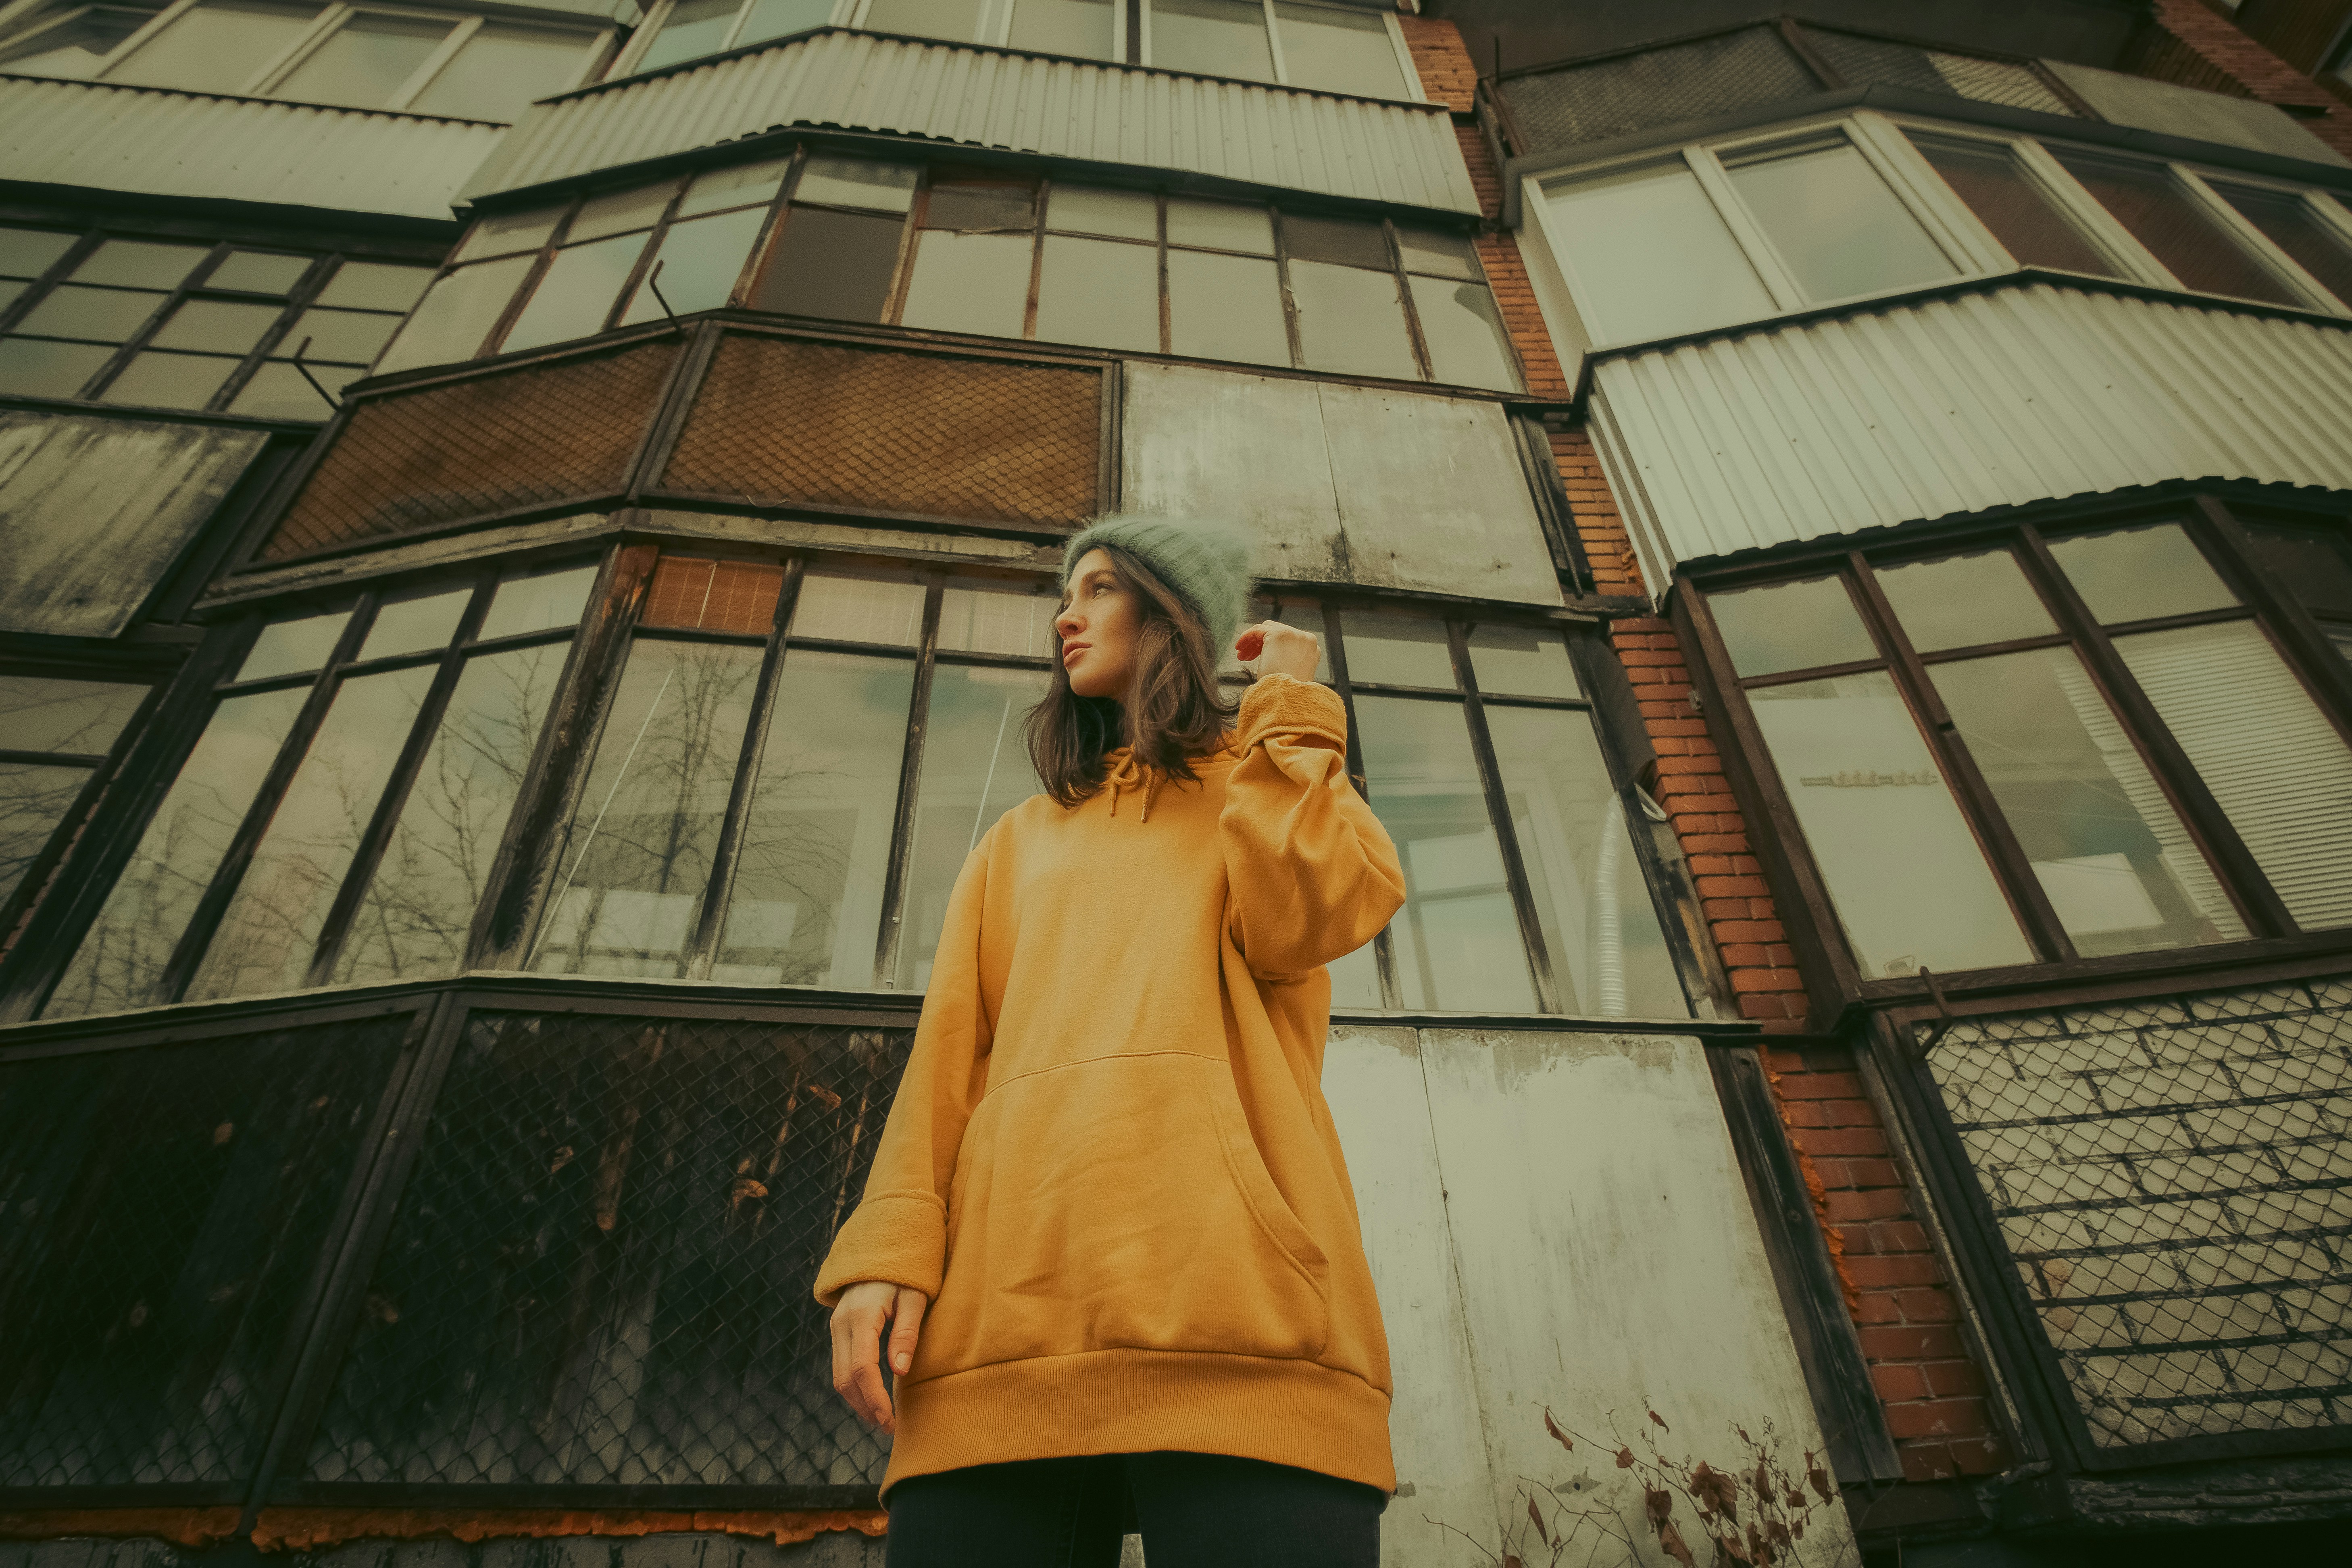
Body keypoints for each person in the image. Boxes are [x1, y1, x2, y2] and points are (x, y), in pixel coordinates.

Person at [815, 514, 1408, 1567]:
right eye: (1066, 592)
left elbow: (1315, 911)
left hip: (1244, 1333)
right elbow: (947, 1058)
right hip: (996, 1342)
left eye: (1097, 588)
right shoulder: (1018, 841)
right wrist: (884, 1251)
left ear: (1169, 613)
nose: (1065, 613)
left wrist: (1291, 712)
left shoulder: (1262, 787)